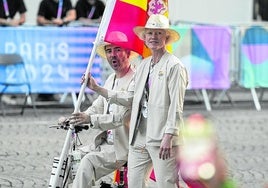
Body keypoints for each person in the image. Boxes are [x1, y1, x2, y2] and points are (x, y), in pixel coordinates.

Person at [87, 14, 189, 188]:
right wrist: (98, 89)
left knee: (166, 184)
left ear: (166, 37)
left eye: (158, 33)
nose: (153, 37)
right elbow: (131, 98)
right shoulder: (144, 65)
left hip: (163, 137)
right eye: (150, 33)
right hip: (139, 136)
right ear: (145, 38)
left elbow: (176, 106)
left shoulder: (175, 66)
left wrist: (169, 135)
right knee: (134, 183)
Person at [59, 31, 138, 188]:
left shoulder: (135, 80)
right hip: (105, 143)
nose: (113, 55)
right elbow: (98, 106)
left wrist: (90, 119)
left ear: (128, 53)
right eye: (109, 51)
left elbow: (121, 118)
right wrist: (77, 117)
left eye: (118, 50)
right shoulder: (111, 78)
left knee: (88, 162)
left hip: (123, 147)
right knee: (69, 160)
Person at [36, 0, 76, 101]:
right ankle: (44, 93)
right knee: (47, 64)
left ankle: (57, 90)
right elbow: (39, 19)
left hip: (62, 40)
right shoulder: (45, 2)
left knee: (61, 64)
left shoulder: (66, 2)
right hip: (48, 38)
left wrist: (63, 20)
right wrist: (51, 22)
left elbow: (73, 15)